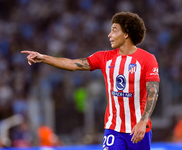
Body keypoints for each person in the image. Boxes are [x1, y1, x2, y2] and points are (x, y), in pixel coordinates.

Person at [21, 12, 160, 150]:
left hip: (138, 129)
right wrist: (43, 58)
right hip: (113, 129)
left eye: (114, 30)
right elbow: (72, 64)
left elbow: (153, 92)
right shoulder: (104, 57)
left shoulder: (147, 59)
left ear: (126, 34)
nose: (109, 35)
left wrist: (143, 121)